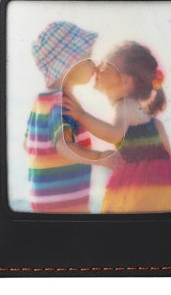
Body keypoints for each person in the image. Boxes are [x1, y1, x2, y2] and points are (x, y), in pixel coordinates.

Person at [63, 41, 171, 213]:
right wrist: (170, 159)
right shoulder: (135, 107)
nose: (97, 68)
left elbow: (115, 134)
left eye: (105, 67)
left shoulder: (124, 106)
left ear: (125, 81)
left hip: (139, 183)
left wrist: (81, 115)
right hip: (162, 182)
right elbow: (157, 125)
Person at [24, 21, 115, 213]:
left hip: (43, 198)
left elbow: (27, 143)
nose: (94, 65)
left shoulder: (41, 102)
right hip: (65, 202)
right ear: (66, 66)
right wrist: (101, 158)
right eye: (87, 59)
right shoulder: (62, 104)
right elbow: (64, 147)